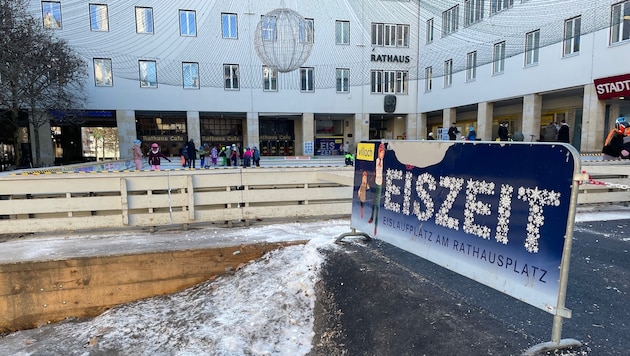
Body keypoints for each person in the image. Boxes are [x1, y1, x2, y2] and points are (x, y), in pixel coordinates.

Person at [368, 142, 385, 236]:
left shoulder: (384, 162)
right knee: (374, 202)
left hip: (380, 184)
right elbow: (375, 171)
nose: (381, 154)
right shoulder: (377, 160)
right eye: (380, 152)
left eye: (382, 152)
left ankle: (375, 227)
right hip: (376, 182)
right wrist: (370, 182)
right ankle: (371, 217)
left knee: (378, 205)